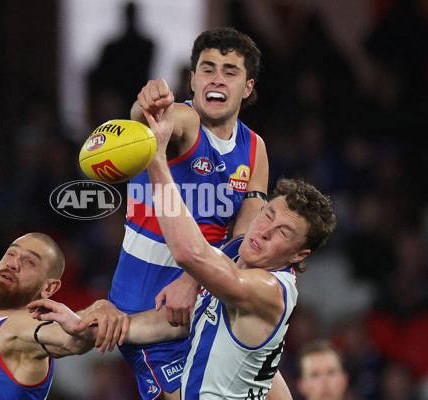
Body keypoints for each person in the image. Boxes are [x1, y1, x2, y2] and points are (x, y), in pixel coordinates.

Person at [30, 103, 337, 399]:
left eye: (283, 232)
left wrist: (155, 157)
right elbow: (170, 324)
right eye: (268, 215)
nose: (265, 231)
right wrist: (95, 321)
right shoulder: (236, 259)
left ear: (299, 256)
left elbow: (190, 253)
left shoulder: (269, 289)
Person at [108, 26, 270, 399]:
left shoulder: (255, 148)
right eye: (208, 69)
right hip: (149, 311)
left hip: (206, 305)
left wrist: (195, 277)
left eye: (230, 72)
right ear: (193, 79)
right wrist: (145, 106)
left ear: (247, 87)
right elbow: (143, 124)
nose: (217, 79)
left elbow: (245, 239)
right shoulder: (181, 121)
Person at [0, 232, 128, 399]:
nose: (13, 263)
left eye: (30, 262)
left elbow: (70, 340)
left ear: (49, 287)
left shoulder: (18, 326)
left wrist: (96, 312)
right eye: (11, 253)